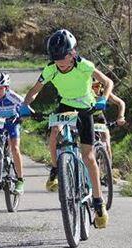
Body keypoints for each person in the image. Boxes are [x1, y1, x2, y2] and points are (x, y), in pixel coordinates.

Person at [22, 29, 113, 228]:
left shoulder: (84, 66)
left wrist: (103, 99)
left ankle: (98, 203)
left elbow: (107, 82)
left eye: (63, 58)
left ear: (72, 53)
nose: (60, 63)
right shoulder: (50, 69)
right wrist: (25, 104)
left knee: (88, 155)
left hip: (86, 107)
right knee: (54, 132)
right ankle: (56, 170)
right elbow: (34, 91)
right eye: (55, 59)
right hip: (66, 104)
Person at [92, 79, 126, 160]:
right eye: (92, 87)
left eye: (97, 86)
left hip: (99, 118)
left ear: (101, 86)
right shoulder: (86, 93)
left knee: (107, 144)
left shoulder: (103, 93)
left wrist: (121, 117)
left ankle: (109, 168)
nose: (95, 89)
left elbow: (121, 103)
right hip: (87, 117)